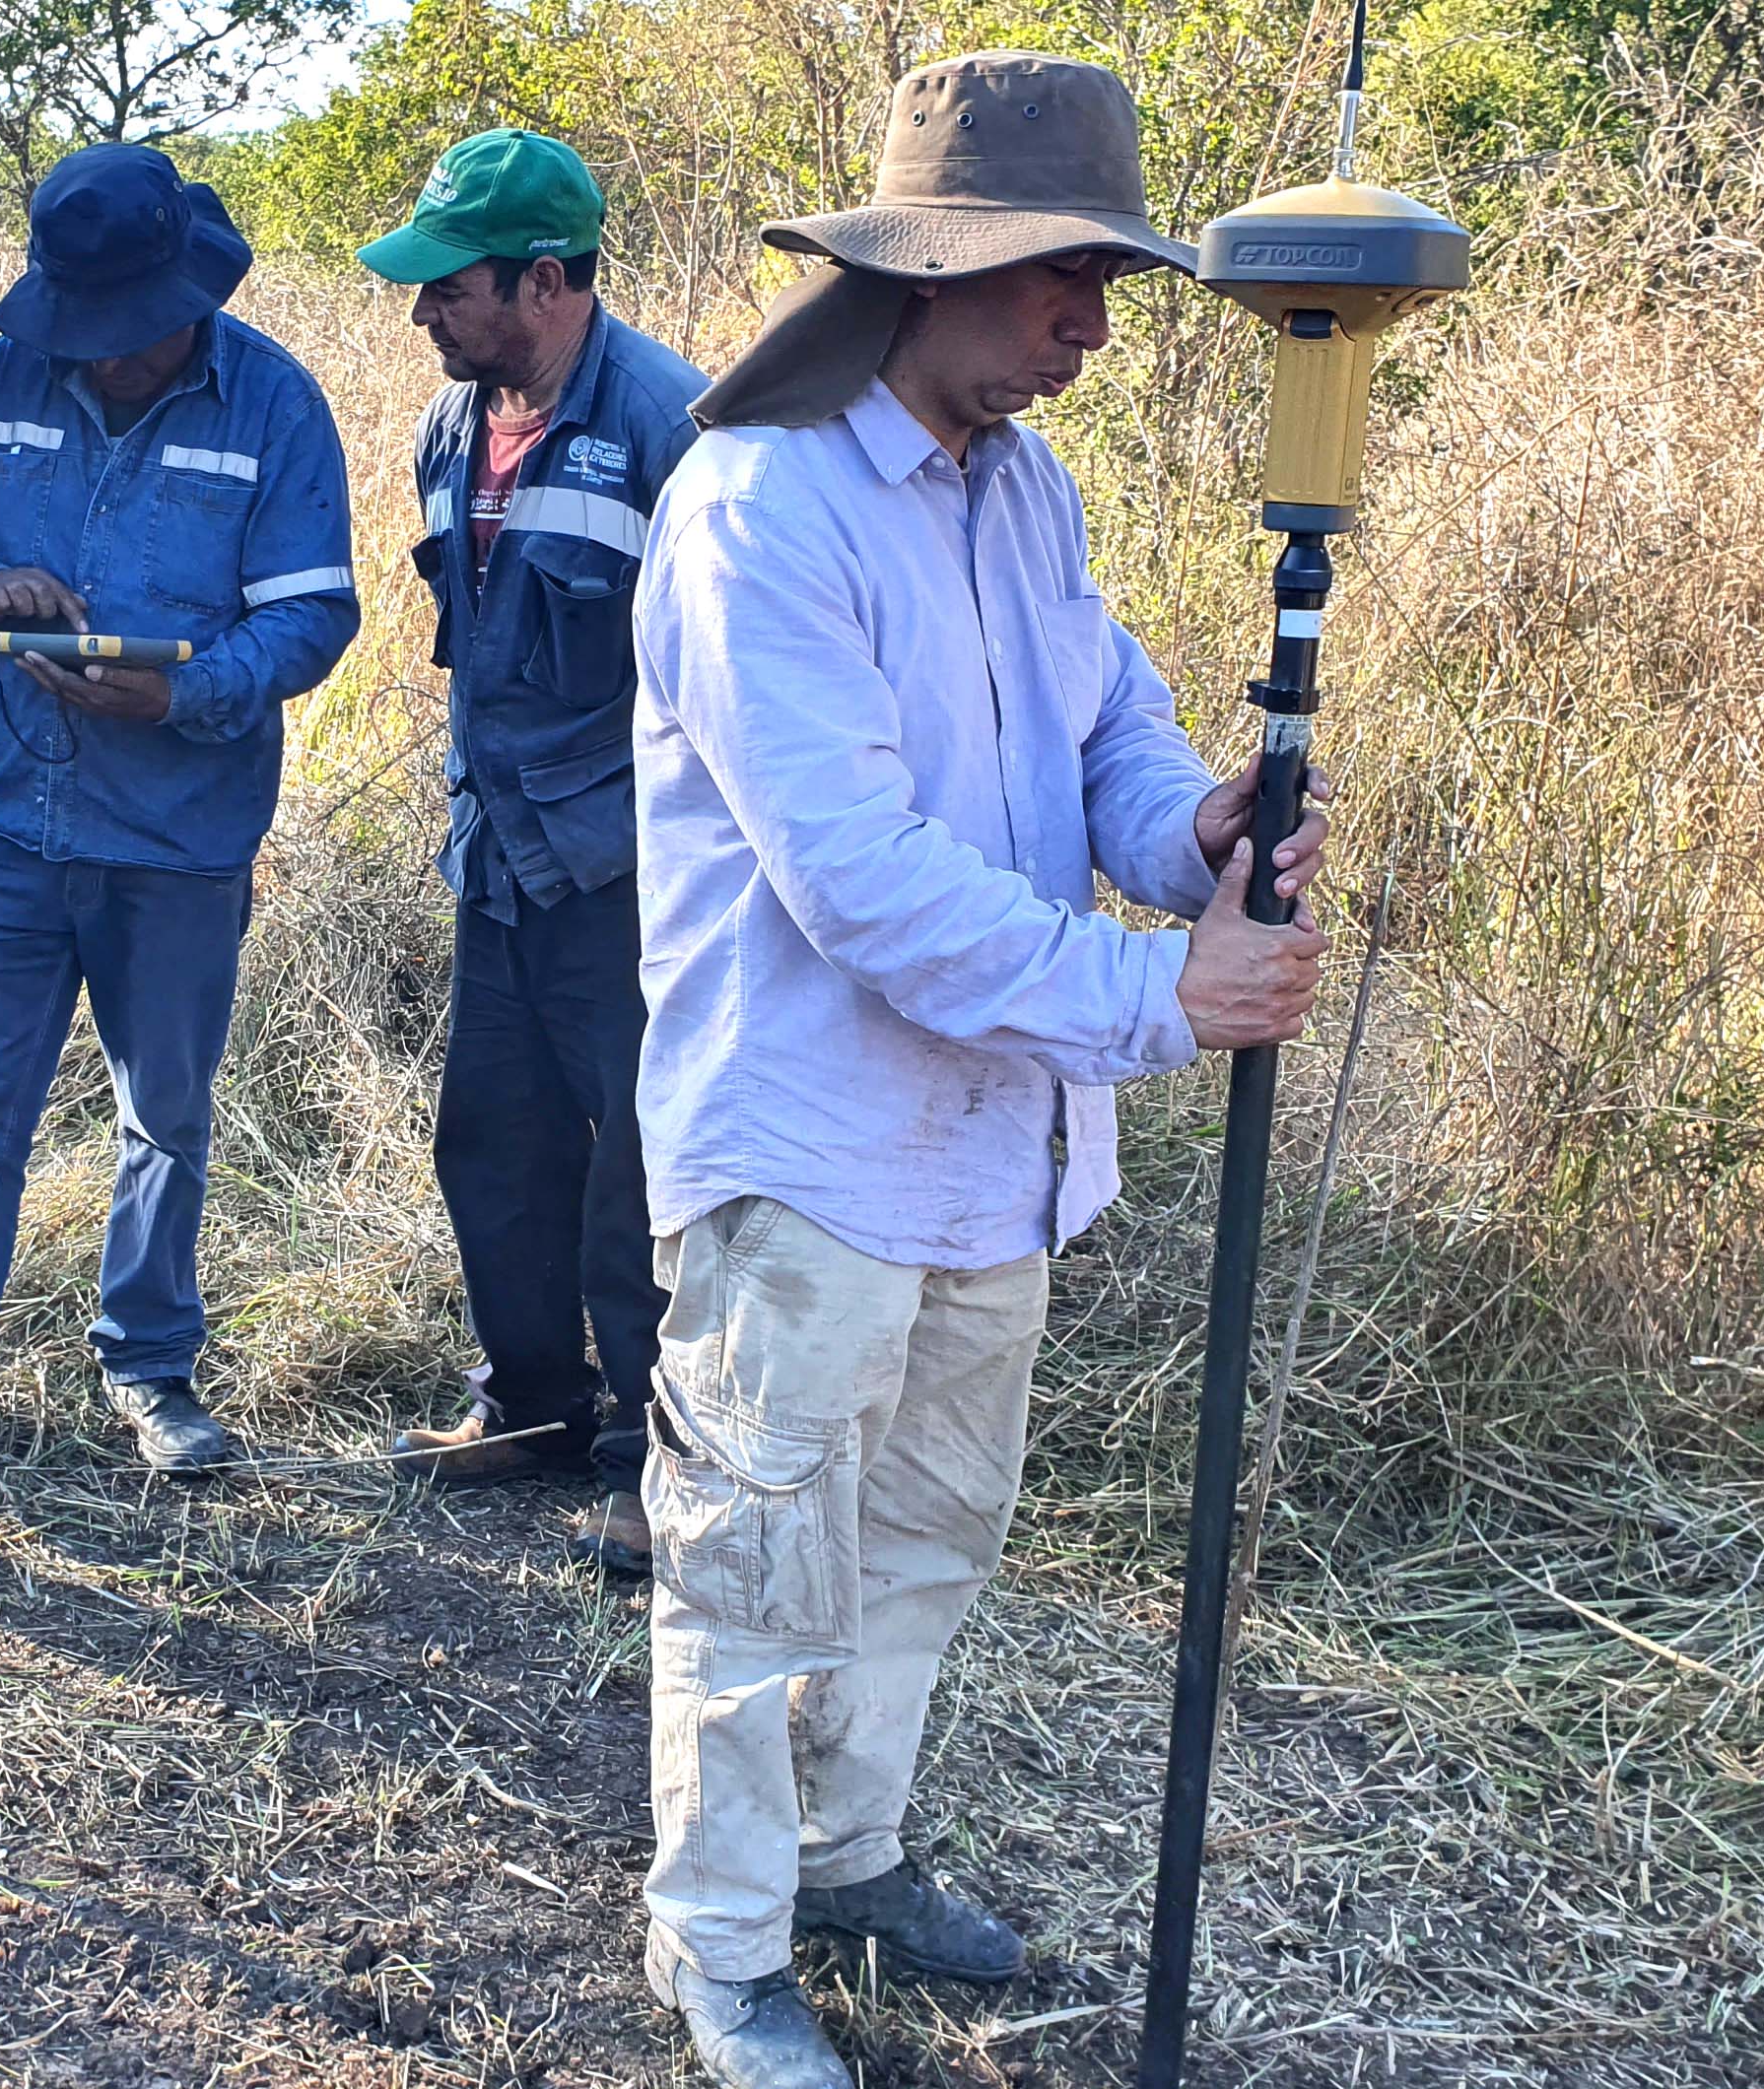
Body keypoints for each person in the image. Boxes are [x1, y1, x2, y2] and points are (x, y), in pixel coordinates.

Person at [627, 54, 1336, 2087]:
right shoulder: (757, 507)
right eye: (1057, 283)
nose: (1090, 328)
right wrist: (1151, 1002)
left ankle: (844, 1861)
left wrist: (1189, 828)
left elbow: (1096, 733)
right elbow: (856, 882)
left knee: (924, 1535)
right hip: (808, 1142)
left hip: (990, 1151)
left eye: (1103, 284)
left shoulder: (1023, 492)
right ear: (925, 272)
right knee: (760, 1561)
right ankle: (724, 1952)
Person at [0, 145, 361, 1481]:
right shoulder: (7, 380)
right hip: (5, 823)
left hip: (181, 842)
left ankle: (150, 1371)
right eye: (84, 333)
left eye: (131, 334)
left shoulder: (274, 405)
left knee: (166, 1110)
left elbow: (312, 613)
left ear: (188, 294)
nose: (105, 360)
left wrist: (185, 696)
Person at [356, 132, 709, 1578]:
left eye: (451, 286)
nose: (424, 312)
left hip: (631, 874)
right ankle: (533, 1409)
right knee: (491, 1142)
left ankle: (647, 1457)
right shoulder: (455, 427)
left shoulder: (678, 430)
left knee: (638, 1168)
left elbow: (717, 682)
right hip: (496, 859)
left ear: (547, 282)